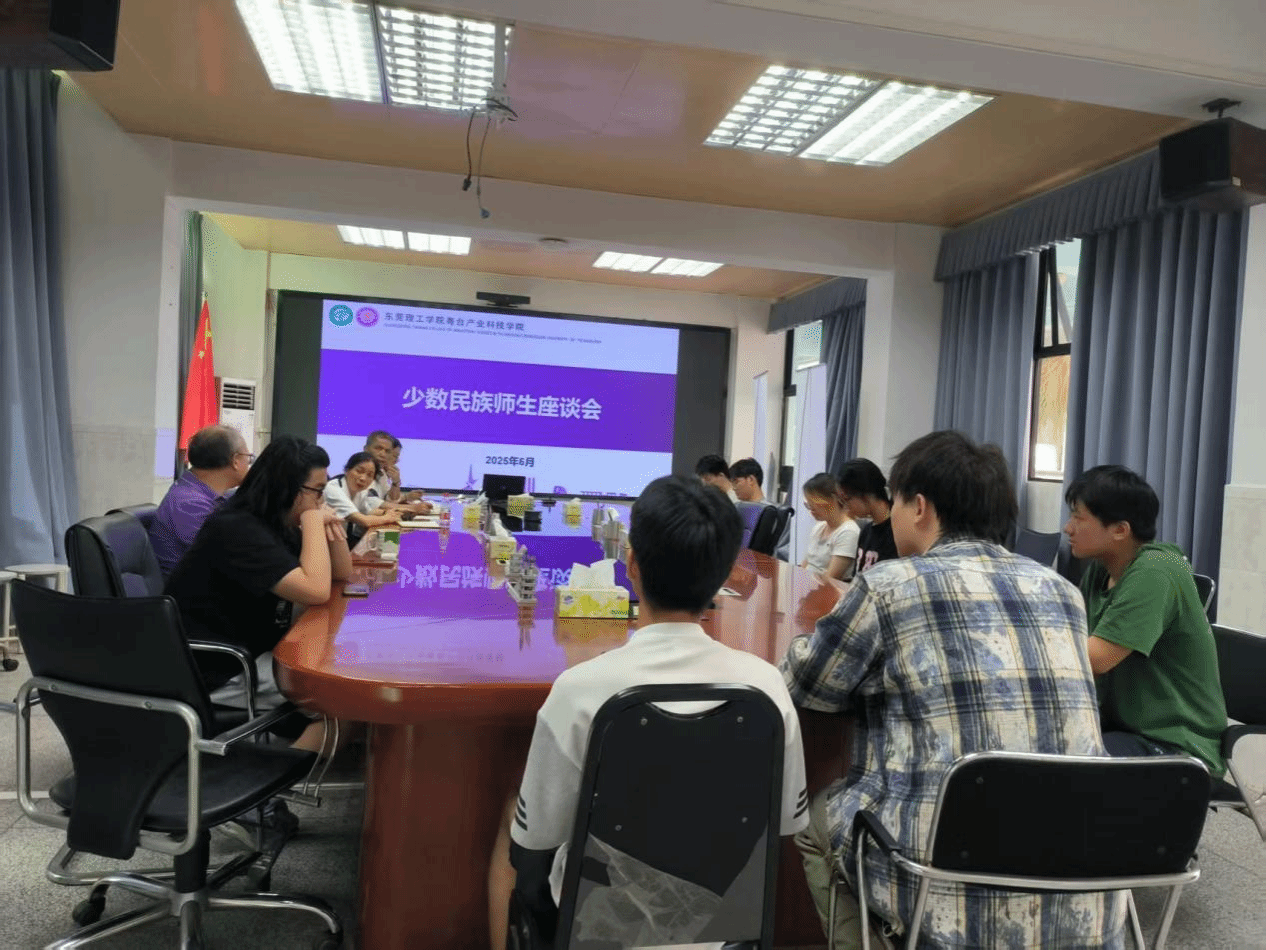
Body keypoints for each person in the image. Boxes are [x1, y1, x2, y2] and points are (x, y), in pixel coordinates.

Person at [781, 431, 1120, 950]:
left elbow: (809, 685)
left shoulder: (890, 585)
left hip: (941, 892)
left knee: (811, 819)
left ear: (919, 507)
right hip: (1082, 890)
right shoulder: (1063, 592)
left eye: (895, 502)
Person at [486, 475, 808, 949]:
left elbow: (538, 837)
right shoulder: (765, 686)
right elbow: (785, 822)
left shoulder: (580, 689)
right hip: (721, 927)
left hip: (597, 923)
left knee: (512, 818)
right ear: (725, 574)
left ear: (631, 563)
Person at [165, 435, 354, 754]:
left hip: (255, 648)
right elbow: (316, 590)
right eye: (318, 491)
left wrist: (329, 528)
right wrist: (312, 520)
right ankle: (278, 777)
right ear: (289, 489)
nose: (321, 501)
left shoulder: (276, 522)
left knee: (345, 684)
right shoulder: (236, 528)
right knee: (347, 700)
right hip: (219, 667)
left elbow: (342, 573)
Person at [1064, 464, 1227, 776]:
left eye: (1078, 518)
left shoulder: (1156, 571)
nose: (1067, 528)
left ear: (1119, 530)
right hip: (1121, 727)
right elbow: (1074, 636)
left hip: (1174, 745)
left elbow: (1095, 659)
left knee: (1050, 767)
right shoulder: (1102, 568)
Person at [150, 424, 252, 577]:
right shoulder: (190, 504)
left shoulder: (203, 493)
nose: (249, 465)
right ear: (236, 461)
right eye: (249, 458)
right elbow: (233, 558)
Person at [836, 458, 899, 574]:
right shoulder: (866, 531)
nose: (845, 507)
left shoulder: (896, 533)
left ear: (864, 494)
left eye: (846, 499)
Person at [324, 451, 402, 543]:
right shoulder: (333, 489)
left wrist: (389, 513)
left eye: (369, 475)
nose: (363, 478)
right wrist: (387, 518)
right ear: (347, 470)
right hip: (326, 543)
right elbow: (364, 520)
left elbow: (368, 511)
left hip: (343, 540)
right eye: (359, 471)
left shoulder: (361, 491)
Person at [800, 473, 858, 581]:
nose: (811, 510)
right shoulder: (820, 527)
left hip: (825, 588)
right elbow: (805, 565)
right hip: (809, 583)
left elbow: (830, 578)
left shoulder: (848, 532)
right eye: (809, 505)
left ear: (833, 500)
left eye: (814, 504)